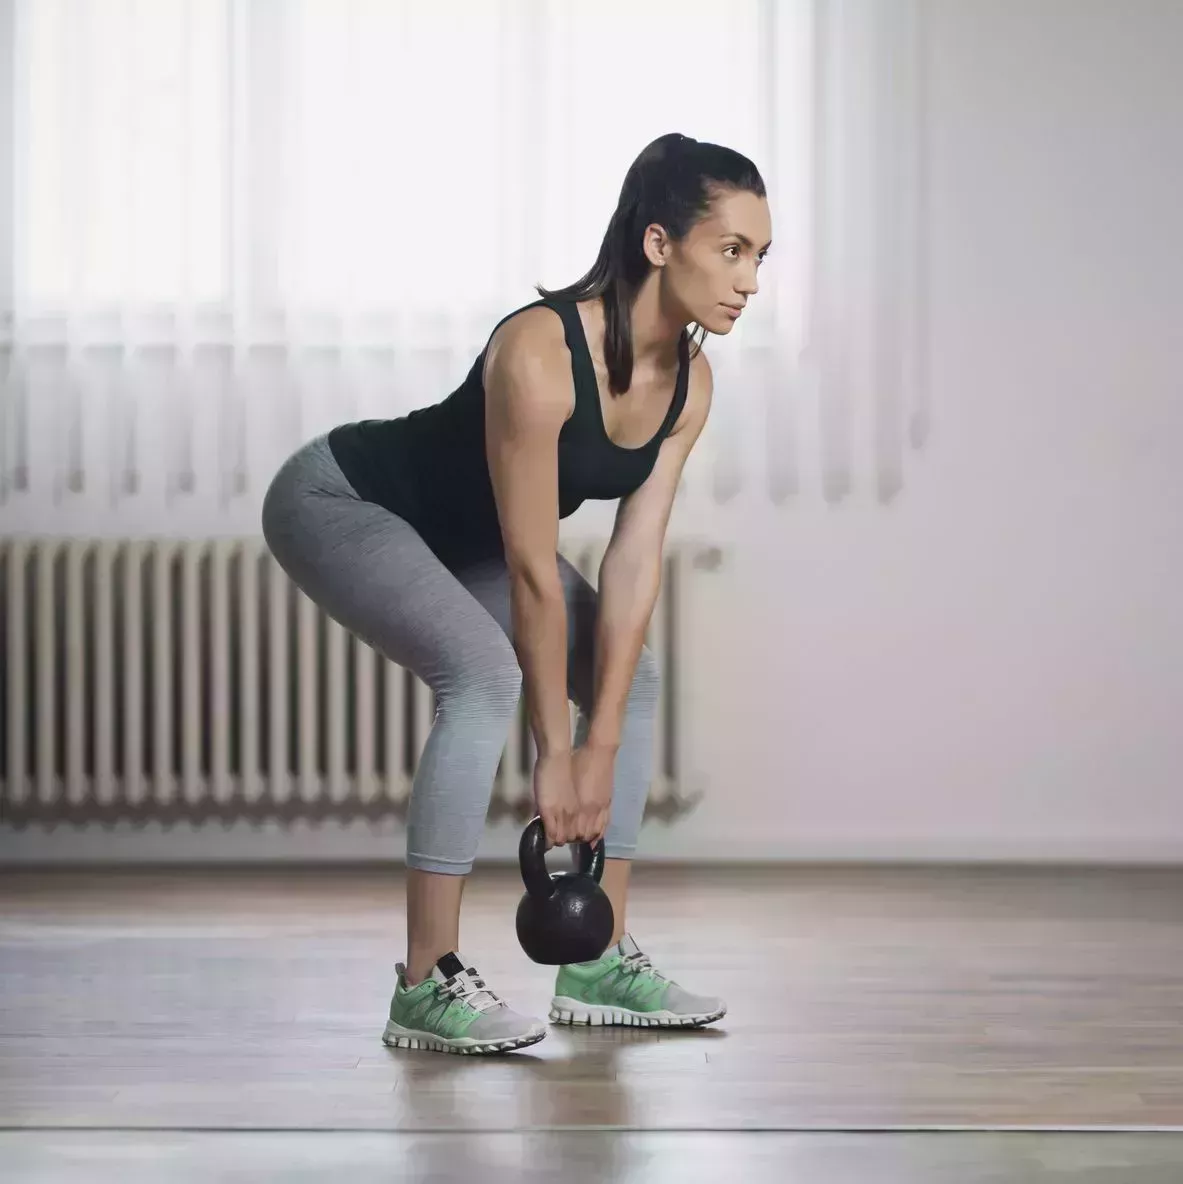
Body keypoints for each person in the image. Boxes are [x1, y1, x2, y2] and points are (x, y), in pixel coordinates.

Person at [261, 131, 772, 1054]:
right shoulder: (539, 350)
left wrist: (600, 737)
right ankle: (424, 981)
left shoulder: (689, 382)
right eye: (730, 250)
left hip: (469, 538)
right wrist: (556, 753)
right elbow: (535, 572)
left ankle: (598, 956)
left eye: (760, 256)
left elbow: (632, 559)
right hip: (346, 500)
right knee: (483, 676)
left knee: (635, 679)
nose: (749, 280)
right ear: (659, 244)